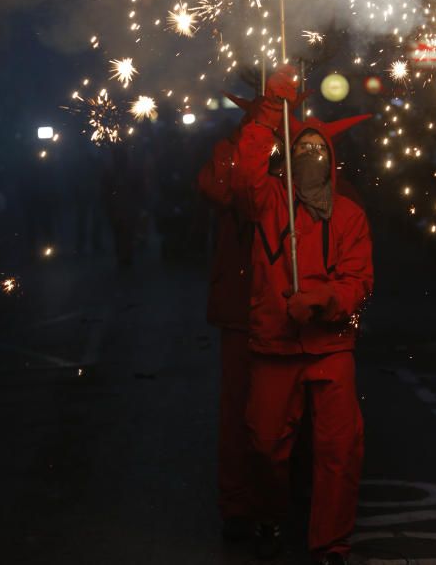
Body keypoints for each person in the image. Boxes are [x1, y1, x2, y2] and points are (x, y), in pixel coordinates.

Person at [231, 66, 374, 565]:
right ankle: (270, 512)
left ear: (331, 161)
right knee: (265, 446)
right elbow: (245, 172)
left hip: (329, 344)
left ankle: (331, 542)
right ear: (289, 160)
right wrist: (271, 110)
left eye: (319, 152)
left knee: (339, 449)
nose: (310, 158)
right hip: (274, 342)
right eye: (301, 152)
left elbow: (359, 282)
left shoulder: (350, 216)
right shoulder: (268, 200)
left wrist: (322, 301)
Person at [198, 93, 288, 542]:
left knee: (281, 417)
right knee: (237, 414)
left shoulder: (298, 146)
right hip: (239, 305)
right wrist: (254, 140)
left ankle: (281, 500)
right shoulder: (228, 150)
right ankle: (237, 505)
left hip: (284, 303)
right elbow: (221, 188)